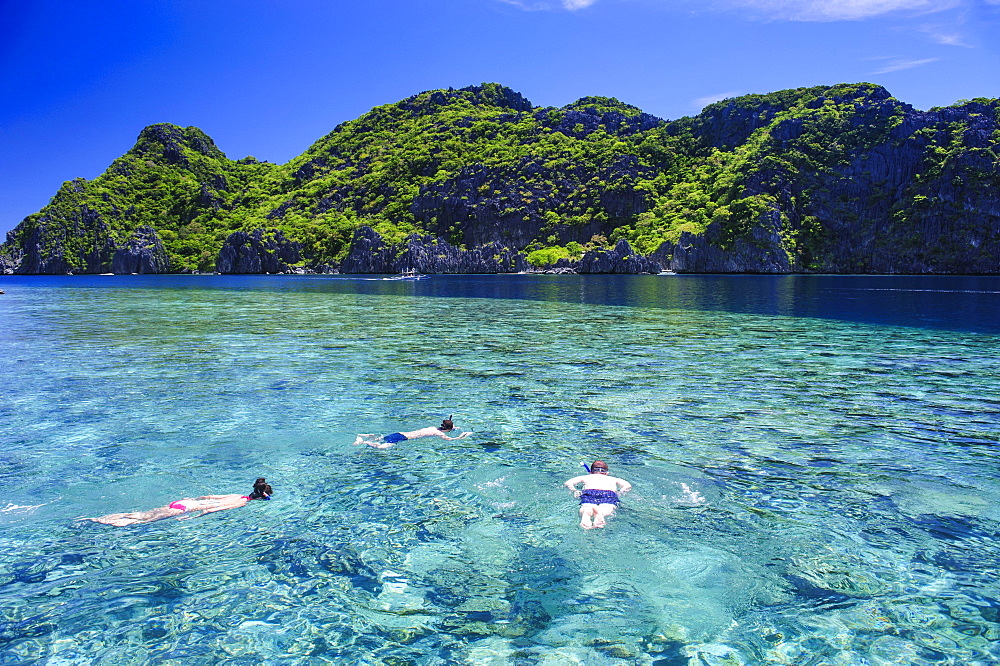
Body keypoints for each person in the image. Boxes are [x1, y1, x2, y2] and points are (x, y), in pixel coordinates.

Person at [89, 478, 273, 526]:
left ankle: (98, 518)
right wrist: (194, 517)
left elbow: (208, 497)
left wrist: (194, 503)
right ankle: (109, 521)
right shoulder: (242, 503)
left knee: (142, 514)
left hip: (185, 502)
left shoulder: (237, 494)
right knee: (141, 520)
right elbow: (213, 509)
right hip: (186, 509)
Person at [563, 460, 632, 529]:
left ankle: (586, 512)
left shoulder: (587, 477)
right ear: (606, 473)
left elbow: (568, 483)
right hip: (608, 493)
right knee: (607, 508)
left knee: (586, 506)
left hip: (589, 492)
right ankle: (600, 513)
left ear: (591, 472)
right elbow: (627, 485)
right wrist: (619, 493)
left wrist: (575, 491)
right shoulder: (613, 478)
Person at [354, 417, 471, 449]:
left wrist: (453, 427)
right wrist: (461, 437)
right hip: (403, 438)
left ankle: (365, 436)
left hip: (399, 433)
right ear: (448, 429)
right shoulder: (440, 434)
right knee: (380, 447)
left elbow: (446, 428)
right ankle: (363, 441)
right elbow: (450, 440)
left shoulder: (434, 428)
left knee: (381, 438)